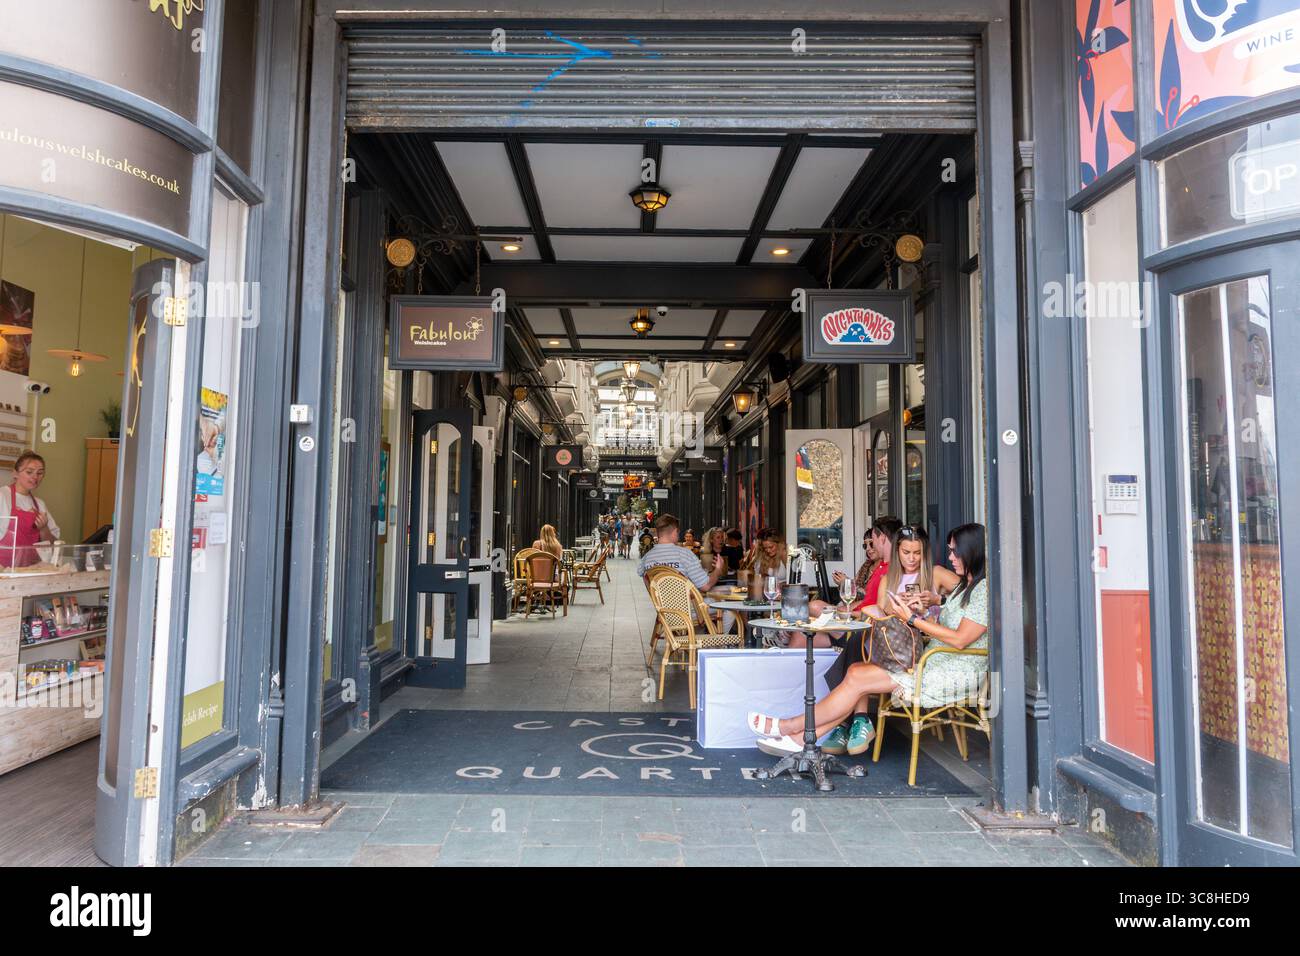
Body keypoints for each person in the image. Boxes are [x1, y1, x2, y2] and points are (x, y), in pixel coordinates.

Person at [749, 524, 990, 758]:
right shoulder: (965, 588)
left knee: (857, 674)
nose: (950, 556)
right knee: (855, 670)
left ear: (971, 552)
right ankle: (801, 738)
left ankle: (790, 727)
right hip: (932, 661)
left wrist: (914, 618)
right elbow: (949, 623)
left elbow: (960, 640)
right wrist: (933, 605)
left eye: (954, 551)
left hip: (948, 672)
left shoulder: (982, 590)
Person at [0, 451, 61, 569]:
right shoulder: (2, 496)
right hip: (3, 571)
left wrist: (44, 529)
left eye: (40, 473)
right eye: (29, 472)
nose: (35, 477)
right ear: (15, 473)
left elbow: (54, 544)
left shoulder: (39, 504)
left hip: (28, 570)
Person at [637, 513, 726, 592]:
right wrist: (718, 570)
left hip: (662, 609)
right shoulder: (685, 555)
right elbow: (706, 586)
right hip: (690, 609)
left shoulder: (646, 558)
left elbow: (644, 576)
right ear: (675, 531)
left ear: (657, 533)